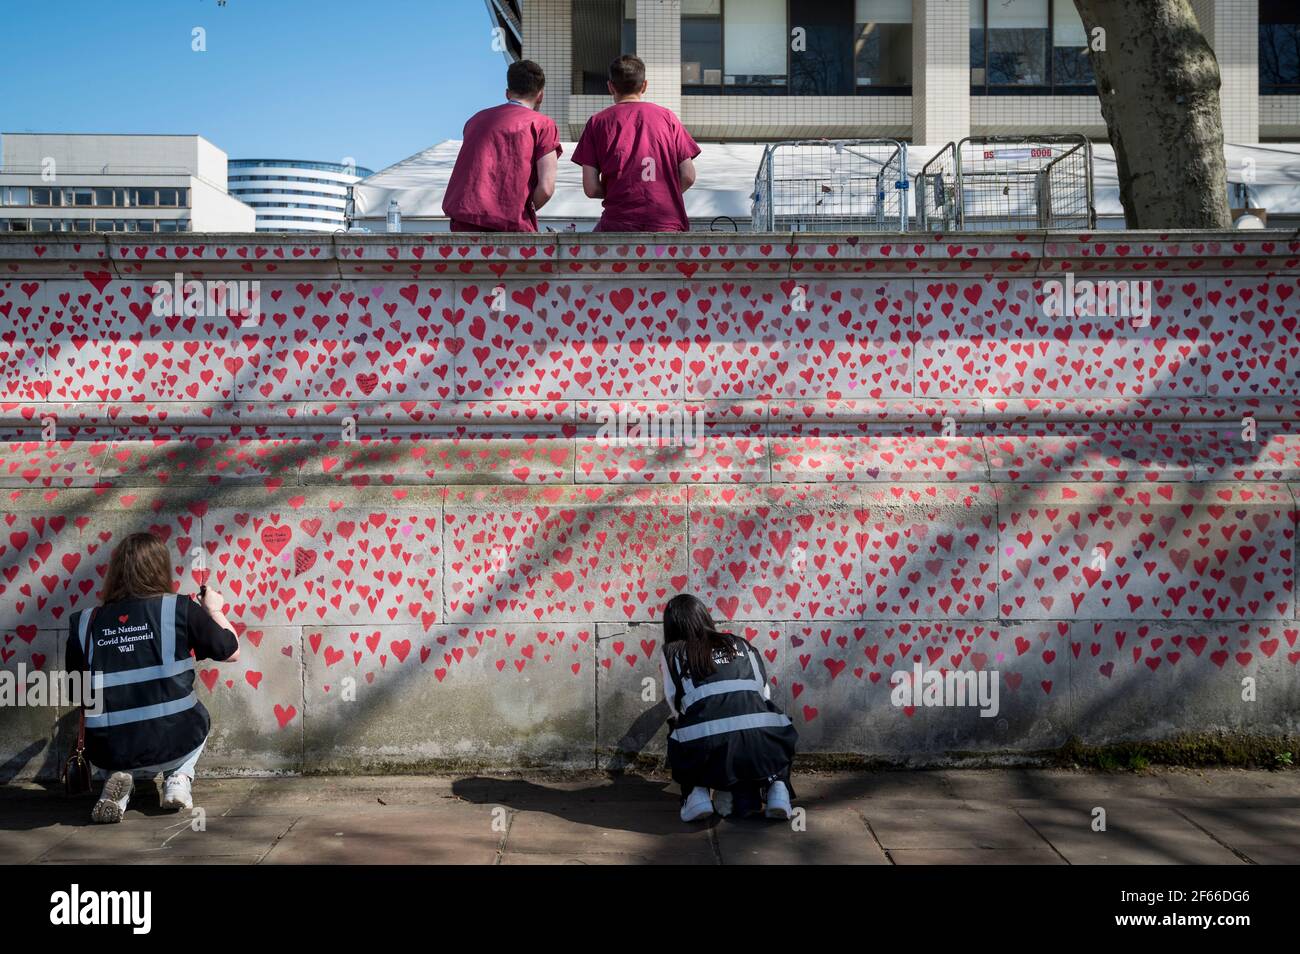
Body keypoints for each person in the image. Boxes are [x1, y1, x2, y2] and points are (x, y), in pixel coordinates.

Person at [66, 532, 240, 824]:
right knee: (200, 717)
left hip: (109, 749)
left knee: (113, 733)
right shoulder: (178, 608)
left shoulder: (84, 621)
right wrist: (215, 610)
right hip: (174, 741)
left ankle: (119, 784)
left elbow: (77, 690)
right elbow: (230, 650)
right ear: (161, 568)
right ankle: (179, 778)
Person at [659, 594, 798, 822]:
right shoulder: (741, 644)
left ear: (671, 625)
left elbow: (675, 706)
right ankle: (778, 790)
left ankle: (696, 795)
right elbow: (763, 695)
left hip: (707, 747)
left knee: (679, 727)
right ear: (704, 615)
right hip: (763, 743)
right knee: (769, 719)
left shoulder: (672, 652)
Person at [572, 54, 701, 232]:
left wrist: (622, 190)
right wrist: (663, 192)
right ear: (644, 85)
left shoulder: (597, 123)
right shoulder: (667, 118)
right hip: (667, 224)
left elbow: (591, 188)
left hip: (618, 225)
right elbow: (688, 176)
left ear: (610, 87)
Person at [441, 59, 562, 232]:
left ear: (507, 93)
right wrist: (522, 210)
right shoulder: (543, 124)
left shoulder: (475, 120)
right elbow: (546, 187)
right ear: (540, 95)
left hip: (465, 221)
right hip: (512, 227)